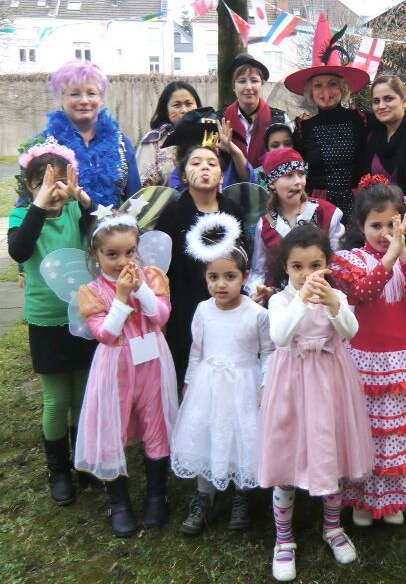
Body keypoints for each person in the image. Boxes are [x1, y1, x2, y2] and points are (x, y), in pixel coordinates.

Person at [259, 225, 374, 582]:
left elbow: (351, 331)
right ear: (286, 269)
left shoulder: (334, 296)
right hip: (292, 384)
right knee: (286, 451)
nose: (307, 275)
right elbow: (279, 336)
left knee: (331, 449)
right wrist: (301, 299)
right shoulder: (280, 300)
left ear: (327, 264)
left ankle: (333, 526)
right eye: (297, 267)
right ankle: (283, 539)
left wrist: (334, 304)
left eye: (315, 266)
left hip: (329, 383)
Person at [330, 176, 406, 525]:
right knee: (366, 430)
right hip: (365, 358)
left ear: (403, 223)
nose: (383, 233)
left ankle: (394, 497)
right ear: (361, 226)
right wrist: (388, 259)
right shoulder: (349, 260)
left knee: (396, 431)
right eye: (375, 225)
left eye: (390, 224)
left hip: (403, 359)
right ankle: (363, 500)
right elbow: (363, 294)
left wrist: (402, 256)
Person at [75, 214, 178, 537]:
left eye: (130, 252)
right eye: (112, 255)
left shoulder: (151, 277)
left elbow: (160, 316)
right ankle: (118, 501)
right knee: (112, 424)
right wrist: (120, 298)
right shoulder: (92, 291)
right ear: (96, 255)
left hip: (151, 361)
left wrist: (142, 290)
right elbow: (105, 334)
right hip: (115, 366)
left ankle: (156, 494)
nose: (123, 261)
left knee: (155, 420)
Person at [171, 214, 272, 535]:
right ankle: (205, 494)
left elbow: (269, 351)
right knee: (207, 435)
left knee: (243, 438)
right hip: (208, 385)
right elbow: (197, 350)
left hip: (244, 383)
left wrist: (265, 384)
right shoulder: (202, 310)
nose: (221, 284)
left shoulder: (257, 313)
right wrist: (189, 381)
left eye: (229, 276)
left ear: (244, 277)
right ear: (206, 278)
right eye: (213, 277)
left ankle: (243, 495)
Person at [9, 140, 98, 505]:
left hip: (80, 315)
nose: (54, 190)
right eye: (43, 183)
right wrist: (38, 204)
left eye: (60, 182)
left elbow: (99, 234)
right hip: (45, 322)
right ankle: (57, 469)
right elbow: (19, 250)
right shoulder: (21, 217)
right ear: (29, 186)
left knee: (80, 394)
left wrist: (84, 200)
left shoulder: (75, 210)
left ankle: (81, 461)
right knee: (55, 399)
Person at [286, 13, 406, 220]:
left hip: (359, 203)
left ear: (343, 88)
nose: (325, 92)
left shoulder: (361, 118)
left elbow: (393, 117)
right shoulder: (303, 127)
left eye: (332, 84)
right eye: (318, 85)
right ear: (310, 90)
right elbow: (292, 169)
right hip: (319, 206)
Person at [155, 145, 244, 389]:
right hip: (184, 309)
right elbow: (160, 268)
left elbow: (243, 255)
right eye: (195, 163)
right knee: (188, 376)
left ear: (221, 175)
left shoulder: (232, 210)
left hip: (227, 306)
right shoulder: (172, 214)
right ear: (183, 175)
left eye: (212, 163)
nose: (204, 167)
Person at [22, 60, 140, 208]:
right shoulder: (41, 145)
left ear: (101, 99)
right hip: (61, 230)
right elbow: (27, 202)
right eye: (75, 94)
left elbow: (135, 199)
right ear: (61, 99)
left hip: (112, 229)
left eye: (91, 93)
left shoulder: (122, 143)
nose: (84, 100)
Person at [248, 149, 344, 296]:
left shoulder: (326, 213)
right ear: (272, 183)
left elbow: (339, 264)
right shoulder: (266, 224)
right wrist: (258, 292)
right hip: (280, 304)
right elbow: (258, 272)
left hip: (320, 298)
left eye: (301, 174)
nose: (298, 182)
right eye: (289, 176)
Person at [162, 108, 255, 192]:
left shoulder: (230, 168)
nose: (205, 167)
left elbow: (250, 183)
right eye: (196, 163)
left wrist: (235, 152)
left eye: (213, 139)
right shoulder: (178, 173)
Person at [136, 81, 202, 187]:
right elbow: (144, 187)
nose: (184, 110)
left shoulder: (208, 135)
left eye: (189, 104)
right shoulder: (154, 141)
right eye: (177, 105)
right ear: (165, 109)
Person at [222, 53, 281, 168]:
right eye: (242, 81)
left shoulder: (280, 119)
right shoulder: (220, 119)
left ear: (261, 84)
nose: (249, 87)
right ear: (233, 86)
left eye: (254, 81)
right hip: (230, 185)